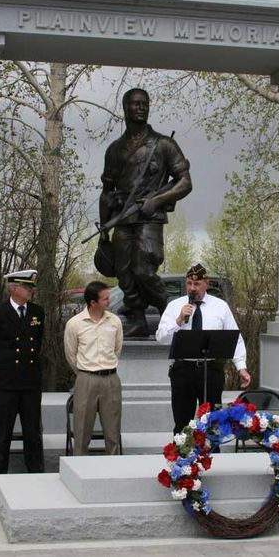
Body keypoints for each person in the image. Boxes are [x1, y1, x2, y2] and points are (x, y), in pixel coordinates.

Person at [99, 87, 192, 337]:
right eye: (135, 103)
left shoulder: (164, 144)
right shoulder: (115, 150)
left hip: (149, 218)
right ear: (125, 108)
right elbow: (107, 191)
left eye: (144, 103)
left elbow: (185, 182)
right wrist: (103, 227)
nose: (140, 107)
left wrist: (157, 200)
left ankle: (169, 311)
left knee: (143, 269)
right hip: (122, 218)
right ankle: (139, 321)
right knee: (124, 272)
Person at [156, 263, 252, 434]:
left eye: (197, 284)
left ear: (206, 283)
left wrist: (241, 367)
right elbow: (161, 337)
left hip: (211, 369)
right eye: (189, 284)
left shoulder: (220, 306)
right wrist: (178, 320)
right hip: (184, 370)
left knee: (213, 421)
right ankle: (183, 458)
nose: (192, 288)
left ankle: (212, 457)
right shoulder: (175, 306)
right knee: (182, 422)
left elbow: (234, 338)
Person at [0, 270, 45, 491]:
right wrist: (0, 368)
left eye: (31, 287)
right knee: (3, 433)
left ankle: (37, 475)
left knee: (32, 432)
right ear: (13, 288)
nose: (30, 290)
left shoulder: (38, 312)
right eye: (26, 287)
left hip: (30, 383)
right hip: (6, 384)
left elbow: (37, 344)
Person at [63, 281, 123, 455]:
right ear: (93, 302)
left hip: (111, 379)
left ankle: (112, 471)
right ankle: (79, 471)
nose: (109, 302)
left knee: (112, 432)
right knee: (82, 432)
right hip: (86, 379)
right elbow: (71, 354)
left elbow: (117, 349)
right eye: (105, 299)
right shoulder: (75, 324)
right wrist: (85, 373)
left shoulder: (115, 322)